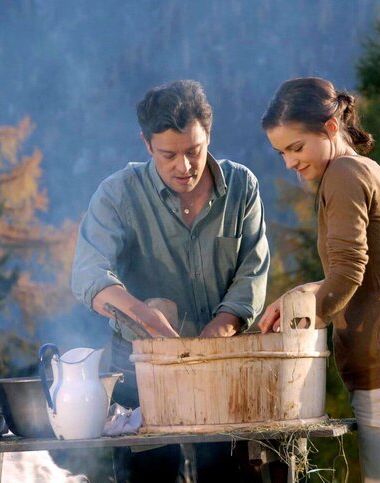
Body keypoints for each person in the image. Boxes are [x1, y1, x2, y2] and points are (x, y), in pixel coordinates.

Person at [71, 79, 270, 481]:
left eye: (194, 151)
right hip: (140, 372)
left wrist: (217, 332)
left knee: (229, 476)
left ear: (209, 136)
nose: (185, 167)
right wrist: (143, 317)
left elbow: (253, 270)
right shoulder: (118, 195)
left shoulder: (242, 188)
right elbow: (88, 274)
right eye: (169, 155)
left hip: (221, 368)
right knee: (149, 476)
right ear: (146, 145)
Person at [258, 77, 380, 482]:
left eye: (296, 147)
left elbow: (347, 272)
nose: (289, 162)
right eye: (281, 152)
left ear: (330, 128)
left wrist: (296, 333)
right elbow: (353, 270)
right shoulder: (358, 171)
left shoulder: (343, 173)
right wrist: (298, 294)